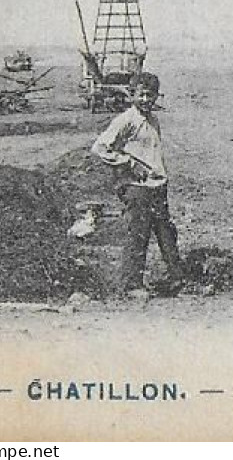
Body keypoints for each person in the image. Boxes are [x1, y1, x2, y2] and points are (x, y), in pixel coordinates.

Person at [90, 72, 188, 298]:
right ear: (131, 95)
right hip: (136, 186)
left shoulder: (153, 120)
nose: (146, 100)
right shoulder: (126, 120)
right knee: (138, 234)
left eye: (150, 95)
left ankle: (177, 278)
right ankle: (132, 284)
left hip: (156, 185)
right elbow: (100, 147)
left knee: (166, 233)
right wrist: (129, 163)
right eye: (141, 95)